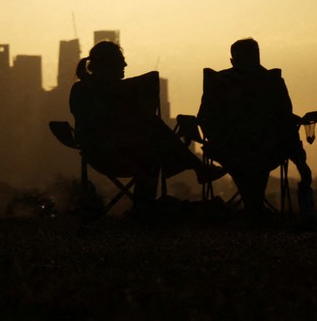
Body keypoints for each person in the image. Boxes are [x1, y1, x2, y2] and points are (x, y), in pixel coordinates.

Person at [68, 41, 213, 209]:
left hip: (113, 151)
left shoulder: (86, 89)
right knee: (153, 139)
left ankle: (146, 207)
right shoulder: (92, 91)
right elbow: (105, 125)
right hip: (109, 155)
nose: (125, 64)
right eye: (120, 60)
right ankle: (193, 168)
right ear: (108, 64)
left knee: (153, 145)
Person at [198, 38, 310, 215]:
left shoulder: (219, 82)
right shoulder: (272, 81)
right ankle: (254, 206)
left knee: (247, 162)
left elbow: (204, 117)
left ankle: (253, 206)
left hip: (234, 148)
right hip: (264, 147)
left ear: (233, 60)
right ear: (257, 57)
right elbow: (285, 115)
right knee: (254, 162)